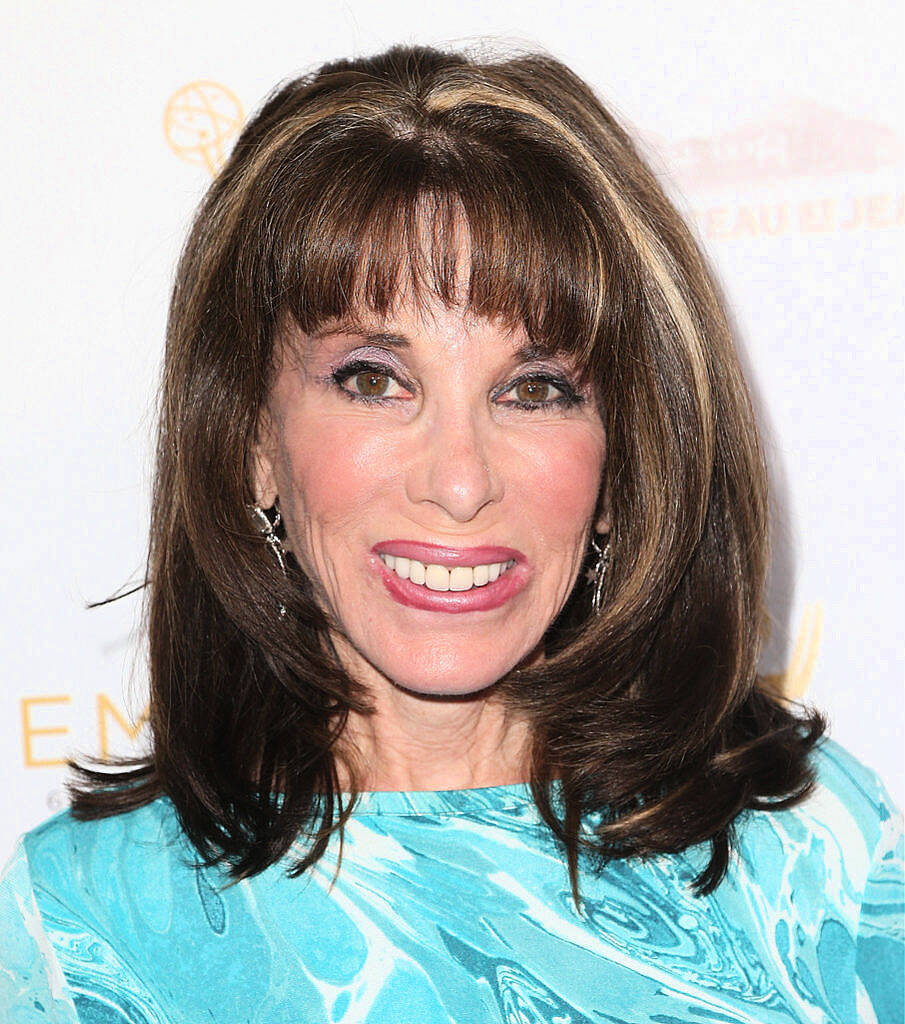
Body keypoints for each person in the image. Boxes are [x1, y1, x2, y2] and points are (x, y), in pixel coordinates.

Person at [1, 42, 902, 1024]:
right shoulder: (86, 929)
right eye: (373, 380)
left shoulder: (815, 865)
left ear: (618, 466)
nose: (460, 481)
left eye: (535, 389)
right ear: (252, 443)